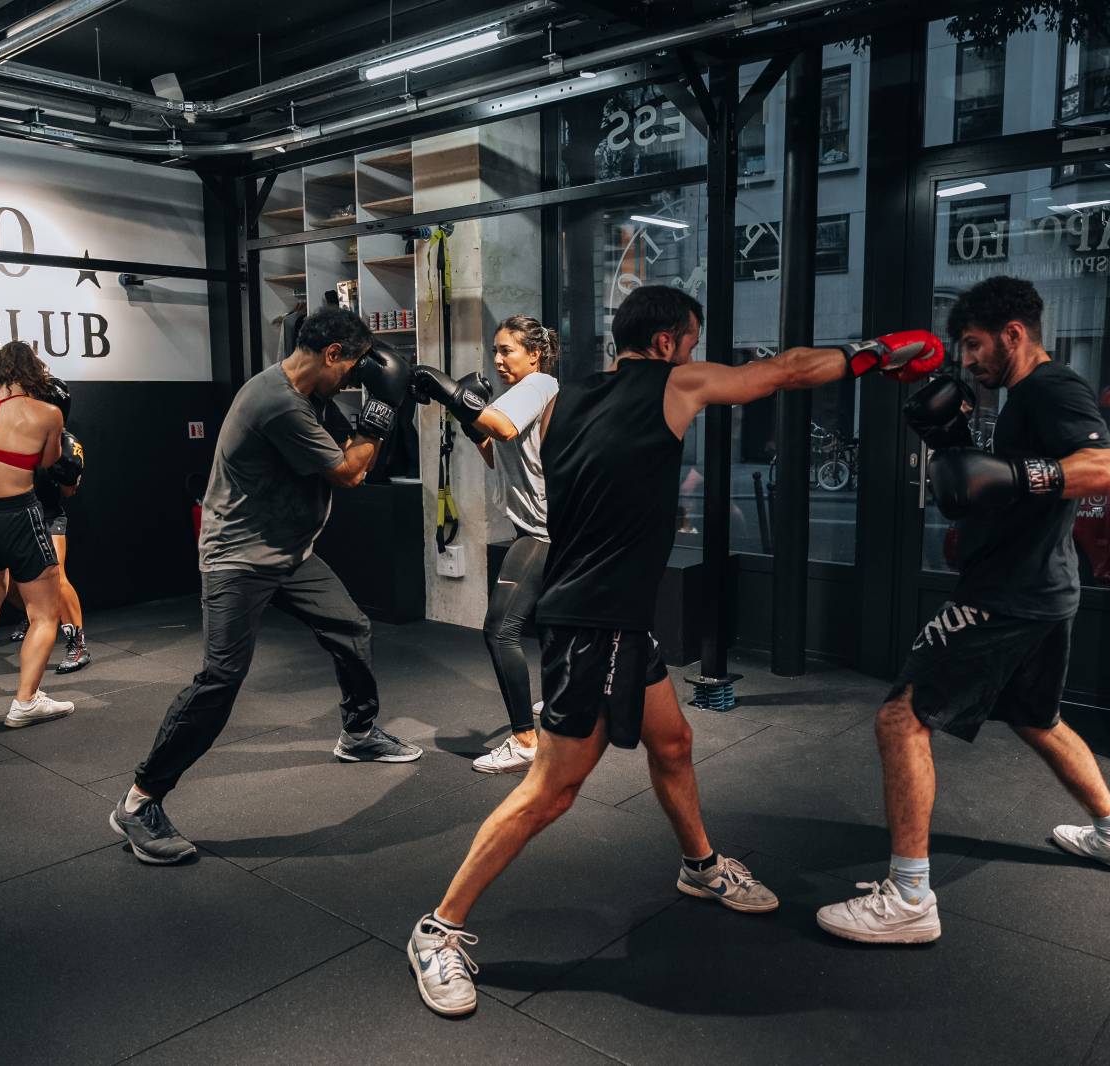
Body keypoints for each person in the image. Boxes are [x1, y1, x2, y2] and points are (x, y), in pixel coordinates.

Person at [406, 284, 944, 1017]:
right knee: (552, 790)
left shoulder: (563, 394)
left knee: (675, 743)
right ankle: (439, 929)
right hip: (592, 624)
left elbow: (499, 432)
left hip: (619, 620)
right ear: (666, 343)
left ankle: (699, 865)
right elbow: (782, 373)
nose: (695, 352)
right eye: (691, 339)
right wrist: (872, 356)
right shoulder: (675, 380)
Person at [815, 276, 1110, 947]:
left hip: (1008, 595)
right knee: (1037, 718)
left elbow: (1104, 471)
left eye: (973, 345)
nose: (965, 359)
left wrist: (1017, 474)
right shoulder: (1022, 397)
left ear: (1014, 335)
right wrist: (956, 439)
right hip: (1043, 588)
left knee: (901, 719)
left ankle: (909, 897)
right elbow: (990, 487)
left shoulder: (1053, 388)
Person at [110, 308, 423, 865]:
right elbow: (350, 473)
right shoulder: (275, 401)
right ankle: (140, 801)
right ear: (330, 354)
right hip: (238, 559)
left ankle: (358, 732)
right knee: (221, 677)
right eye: (350, 368)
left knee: (350, 627)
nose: (352, 379)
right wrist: (379, 414)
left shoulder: (310, 393)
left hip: (291, 554)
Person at [415, 314, 560, 774]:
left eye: (507, 350)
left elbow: (503, 429)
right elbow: (496, 453)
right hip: (542, 524)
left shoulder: (536, 386)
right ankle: (560, 704)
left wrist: (447, 389)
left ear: (534, 353)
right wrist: (465, 413)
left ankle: (523, 740)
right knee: (552, 620)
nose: (497, 359)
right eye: (495, 350)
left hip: (543, 530)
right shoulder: (526, 393)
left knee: (500, 630)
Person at [0, 341, 78, 728]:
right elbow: (46, 463)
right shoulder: (48, 413)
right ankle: (25, 702)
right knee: (44, 613)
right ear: (36, 373)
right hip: (16, 514)